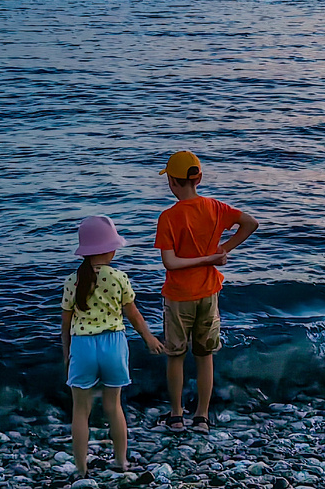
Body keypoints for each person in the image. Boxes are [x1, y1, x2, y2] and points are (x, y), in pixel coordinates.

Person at [154, 151, 259, 434]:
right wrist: (221, 251)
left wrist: (209, 257)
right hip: (208, 293)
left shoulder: (168, 217)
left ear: (172, 183)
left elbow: (170, 263)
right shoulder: (215, 208)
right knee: (205, 355)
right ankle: (202, 416)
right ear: (198, 178)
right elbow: (250, 223)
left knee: (175, 356)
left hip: (178, 296)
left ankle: (176, 415)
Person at [61, 215, 165, 478]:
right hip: (113, 344)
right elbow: (133, 315)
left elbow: (66, 323)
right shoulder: (118, 277)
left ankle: (82, 469)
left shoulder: (73, 280)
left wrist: (67, 353)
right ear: (109, 248)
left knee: (80, 411)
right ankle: (121, 462)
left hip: (82, 346)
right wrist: (149, 339)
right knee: (113, 406)